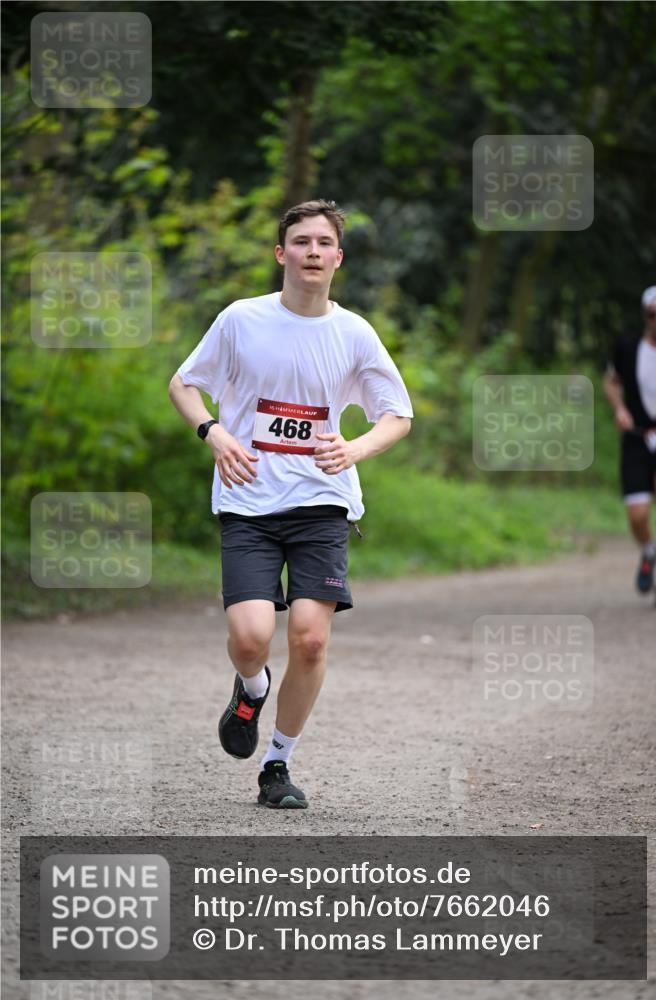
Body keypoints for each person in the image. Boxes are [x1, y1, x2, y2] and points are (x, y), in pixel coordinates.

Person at [168, 199, 413, 807]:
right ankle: (251, 689)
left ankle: (277, 765)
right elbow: (183, 384)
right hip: (248, 502)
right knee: (251, 638)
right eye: (299, 241)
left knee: (308, 639)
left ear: (338, 257)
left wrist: (354, 449)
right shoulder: (241, 320)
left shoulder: (354, 333)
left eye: (322, 243)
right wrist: (214, 433)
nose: (311, 252)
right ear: (282, 253)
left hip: (322, 503)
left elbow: (398, 415)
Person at [603, 285, 656, 607]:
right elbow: (611, 381)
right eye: (652, 315)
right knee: (638, 514)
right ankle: (649, 548)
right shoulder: (628, 348)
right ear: (645, 317)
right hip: (637, 438)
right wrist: (620, 409)